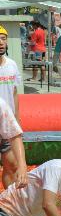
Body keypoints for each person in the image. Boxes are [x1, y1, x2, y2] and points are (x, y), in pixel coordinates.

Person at [0, 27, 23, 188]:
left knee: (12, 166)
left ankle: (7, 204)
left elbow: (14, 92)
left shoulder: (12, 65)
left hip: (7, 125)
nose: (0, 43)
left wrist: (17, 118)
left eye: (3, 38)